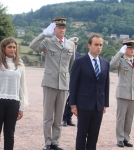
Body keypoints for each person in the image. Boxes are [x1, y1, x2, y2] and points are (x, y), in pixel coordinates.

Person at [29, 18, 75, 150]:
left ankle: (55, 142)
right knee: (48, 115)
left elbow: (72, 66)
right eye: (59, 27)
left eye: (63, 28)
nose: (61, 29)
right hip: (50, 83)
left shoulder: (71, 45)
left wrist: (70, 84)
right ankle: (47, 142)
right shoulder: (48, 42)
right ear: (54, 29)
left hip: (64, 83)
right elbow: (33, 45)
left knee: (59, 115)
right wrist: (44, 33)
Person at [69, 33, 110, 150]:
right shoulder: (80, 62)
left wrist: (105, 104)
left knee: (94, 136)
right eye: (96, 44)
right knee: (82, 135)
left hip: (98, 106)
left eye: (101, 45)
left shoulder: (105, 63)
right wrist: (72, 104)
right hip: (83, 105)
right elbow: (73, 85)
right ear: (89, 45)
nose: (99, 47)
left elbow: (105, 85)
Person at [110, 40, 134, 148]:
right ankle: (119, 139)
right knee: (121, 118)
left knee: (129, 118)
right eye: (129, 48)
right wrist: (120, 53)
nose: (132, 50)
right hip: (122, 93)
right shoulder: (121, 61)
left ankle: (126, 138)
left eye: (133, 48)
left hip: (133, 93)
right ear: (125, 49)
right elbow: (112, 64)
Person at [62, 37, 81, 127]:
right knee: (65, 100)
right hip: (66, 79)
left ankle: (68, 118)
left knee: (72, 100)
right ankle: (63, 118)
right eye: (73, 45)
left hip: (75, 80)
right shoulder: (66, 53)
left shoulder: (78, 55)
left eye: (75, 45)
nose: (75, 46)